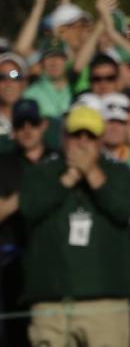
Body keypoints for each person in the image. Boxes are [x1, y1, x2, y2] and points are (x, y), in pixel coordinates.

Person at [19, 105, 130, 347]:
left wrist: (92, 173)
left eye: (90, 136)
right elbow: (29, 209)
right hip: (52, 301)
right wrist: (69, 178)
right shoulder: (41, 173)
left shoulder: (118, 172)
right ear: (64, 136)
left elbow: (123, 210)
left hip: (105, 302)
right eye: (76, 135)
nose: (83, 143)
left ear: (101, 139)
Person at [0, 99, 58, 345]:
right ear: (12, 129)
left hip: (54, 262)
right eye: (20, 124)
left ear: (43, 125)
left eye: (32, 123)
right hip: (12, 261)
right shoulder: (3, 163)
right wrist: (26, 198)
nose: (27, 129)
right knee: (15, 334)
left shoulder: (59, 160)